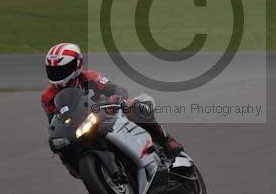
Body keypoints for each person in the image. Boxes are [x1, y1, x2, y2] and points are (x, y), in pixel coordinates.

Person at [41, 42, 184, 156]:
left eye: (62, 69)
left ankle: (166, 139)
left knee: (132, 106)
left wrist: (116, 97)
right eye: (53, 70)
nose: (57, 73)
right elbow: (54, 121)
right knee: (62, 148)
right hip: (80, 128)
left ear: (76, 65)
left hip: (105, 115)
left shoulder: (90, 77)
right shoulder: (47, 96)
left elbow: (116, 89)